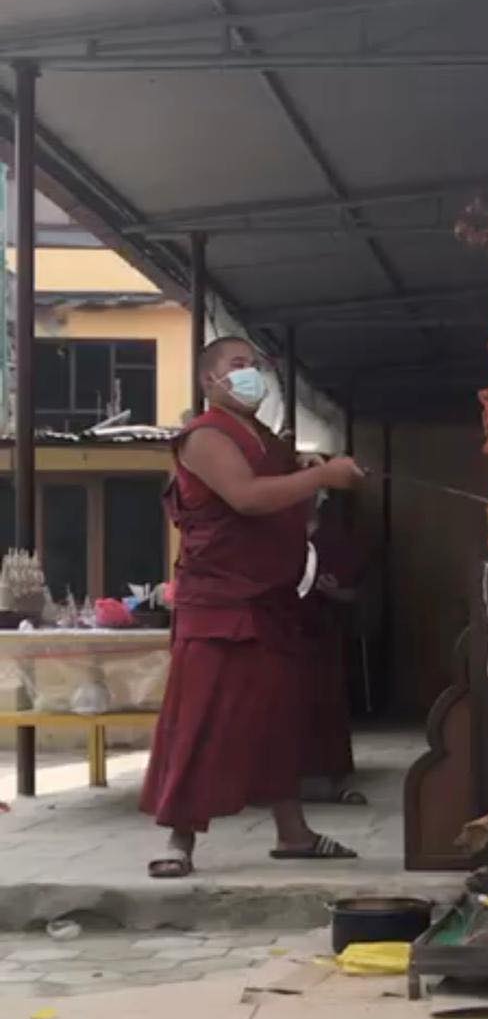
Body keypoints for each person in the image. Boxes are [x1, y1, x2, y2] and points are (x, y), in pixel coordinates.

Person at [142, 337, 364, 878]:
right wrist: (320, 477)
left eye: (255, 366)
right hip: (220, 603)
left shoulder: (260, 436)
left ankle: (294, 833)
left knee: (275, 720)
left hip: (269, 600)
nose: (250, 375)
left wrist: (303, 463)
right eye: (237, 366)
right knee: (203, 717)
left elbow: (274, 478)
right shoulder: (205, 436)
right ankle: (180, 840)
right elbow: (246, 497)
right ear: (209, 381)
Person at [299, 490, 370, 802]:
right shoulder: (277, 536)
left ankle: (331, 776)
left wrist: (335, 592)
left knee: (325, 702)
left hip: (322, 635)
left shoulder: (335, 540)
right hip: (283, 631)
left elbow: (356, 594)